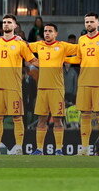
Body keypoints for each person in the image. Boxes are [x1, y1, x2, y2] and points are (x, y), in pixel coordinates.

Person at [67, 13, 99, 156]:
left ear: (98, 23)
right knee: (85, 115)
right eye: (86, 22)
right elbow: (78, 58)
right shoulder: (82, 39)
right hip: (83, 83)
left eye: (91, 21)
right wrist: (63, 59)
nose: (88, 24)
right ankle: (84, 149)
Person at [0, 15, 36, 154]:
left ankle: (19, 147)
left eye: (9, 22)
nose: (6, 24)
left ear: (15, 26)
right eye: (4, 22)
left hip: (14, 86)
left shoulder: (21, 44)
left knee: (17, 117)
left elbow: (31, 60)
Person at [29, 23, 79, 155]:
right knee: (41, 119)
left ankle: (58, 149)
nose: (47, 33)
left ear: (56, 34)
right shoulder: (39, 45)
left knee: (57, 120)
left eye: (50, 31)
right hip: (42, 89)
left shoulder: (62, 46)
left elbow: (80, 49)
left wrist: (68, 58)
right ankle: (39, 149)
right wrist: (32, 60)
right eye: (45, 31)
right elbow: (24, 47)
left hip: (56, 89)